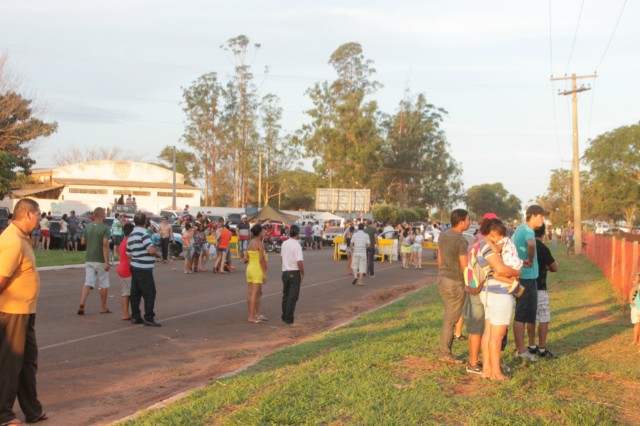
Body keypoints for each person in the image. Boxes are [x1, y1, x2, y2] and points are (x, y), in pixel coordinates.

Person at [0, 199, 48, 425]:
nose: (39, 220)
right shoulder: (12, 241)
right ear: (28, 214)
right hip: (12, 312)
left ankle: (32, 410)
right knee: (11, 363)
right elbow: (1, 278)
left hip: (25, 311)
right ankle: (3, 413)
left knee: (28, 363)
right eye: (38, 215)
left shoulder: (21, 239)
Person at [476, 219, 523, 380]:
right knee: (498, 335)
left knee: (489, 333)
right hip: (499, 294)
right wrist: (518, 273)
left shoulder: (482, 245)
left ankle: (487, 371)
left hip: (489, 291)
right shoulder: (489, 245)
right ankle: (496, 372)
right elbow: (501, 269)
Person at [511, 205, 547, 361]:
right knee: (521, 314)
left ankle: (523, 348)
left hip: (526, 277)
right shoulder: (527, 231)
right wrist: (531, 260)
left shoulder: (519, 229)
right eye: (541, 216)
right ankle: (520, 350)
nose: (543, 219)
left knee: (527, 315)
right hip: (525, 278)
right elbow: (531, 244)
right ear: (532, 216)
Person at [436, 208, 470, 364]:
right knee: (451, 319)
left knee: (449, 317)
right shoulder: (461, 241)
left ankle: (445, 350)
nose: (469, 222)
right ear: (461, 221)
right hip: (455, 282)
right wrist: (471, 282)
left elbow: (439, 258)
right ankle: (445, 352)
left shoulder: (443, 235)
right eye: (468, 220)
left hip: (442, 279)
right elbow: (464, 265)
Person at [528, 223, 558, 357]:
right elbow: (555, 267)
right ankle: (541, 347)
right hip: (540, 286)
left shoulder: (526, 246)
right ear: (543, 233)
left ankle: (531, 345)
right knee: (543, 317)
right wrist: (547, 267)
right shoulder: (543, 248)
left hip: (527, 285)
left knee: (530, 318)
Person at [127, 212, 162, 327]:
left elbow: (128, 254)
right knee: (150, 293)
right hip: (144, 268)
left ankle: (136, 316)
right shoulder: (144, 233)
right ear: (144, 222)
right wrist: (157, 255)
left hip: (135, 266)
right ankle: (148, 317)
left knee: (135, 293)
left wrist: (137, 256)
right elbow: (150, 250)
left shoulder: (131, 235)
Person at [77, 207, 111, 315]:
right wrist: (106, 261)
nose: (105, 215)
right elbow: (105, 244)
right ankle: (103, 307)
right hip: (100, 259)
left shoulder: (88, 227)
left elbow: (82, 242)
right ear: (101, 215)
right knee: (104, 283)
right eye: (105, 214)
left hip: (89, 258)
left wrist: (91, 241)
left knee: (88, 282)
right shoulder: (105, 228)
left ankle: (82, 303)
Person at [280, 224, 304, 327]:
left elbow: (281, 257)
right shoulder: (297, 245)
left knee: (286, 295)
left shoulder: (284, 243)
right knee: (292, 297)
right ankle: (289, 319)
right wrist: (302, 272)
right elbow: (299, 261)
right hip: (294, 272)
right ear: (298, 233)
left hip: (285, 272)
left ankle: (284, 316)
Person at [244, 224, 267, 324]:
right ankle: (252, 316)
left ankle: (253, 314)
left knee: (251, 293)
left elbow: (246, 257)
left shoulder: (250, 243)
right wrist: (264, 274)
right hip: (257, 268)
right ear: (260, 233)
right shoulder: (260, 244)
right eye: (263, 231)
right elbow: (261, 260)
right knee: (254, 293)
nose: (264, 232)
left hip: (250, 268)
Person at [117, 223, 135, 320]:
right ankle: (125, 313)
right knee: (127, 292)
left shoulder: (123, 241)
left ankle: (126, 313)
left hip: (122, 267)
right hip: (127, 269)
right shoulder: (129, 242)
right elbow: (130, 257)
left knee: (126, 292)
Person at [630, 273, 640, 346]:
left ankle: (638, 341)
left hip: (637, 308)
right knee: (637, 324)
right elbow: (633, 290)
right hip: (636, 308)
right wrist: (630, 300)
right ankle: (635, 340)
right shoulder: (638, 286)